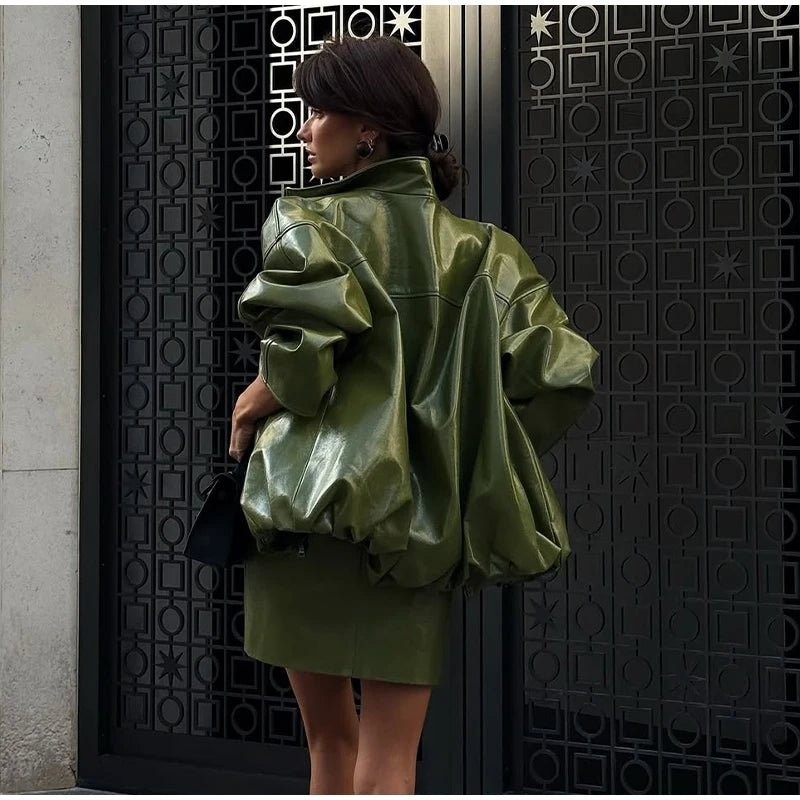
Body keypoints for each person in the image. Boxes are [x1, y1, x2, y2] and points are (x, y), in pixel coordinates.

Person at [228, 33, 599, 795]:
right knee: (393, 759)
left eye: (318, 110)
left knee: (328, 742)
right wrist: (472, 451)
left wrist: (251, 402)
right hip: (420, 528)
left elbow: (301, 363)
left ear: (368, 127)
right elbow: (559, 371)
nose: (305, 128)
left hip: (307, 515)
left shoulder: (307, 221)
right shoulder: (485, 251)